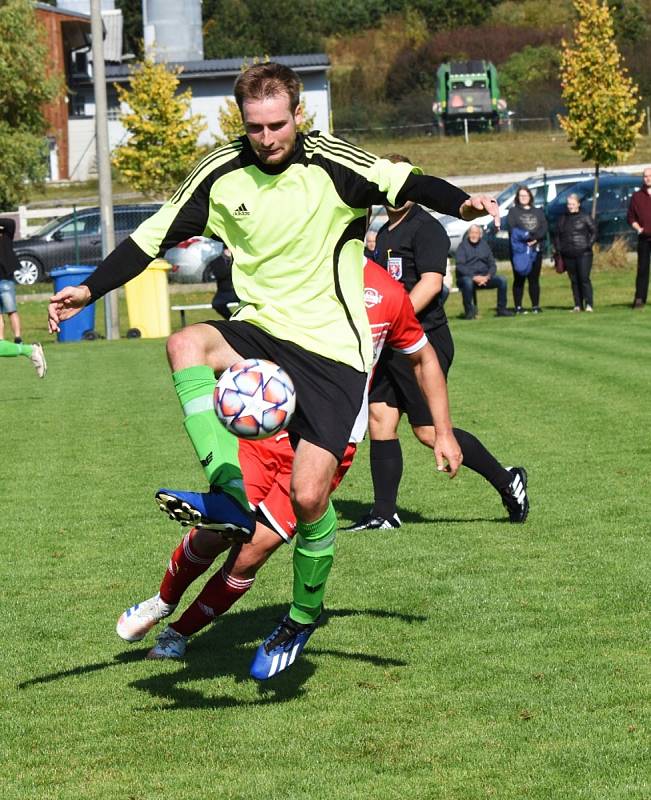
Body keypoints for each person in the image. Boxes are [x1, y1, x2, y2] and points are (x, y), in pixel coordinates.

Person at [48, 62, 497, 678]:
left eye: (278, 124)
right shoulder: (219, 175)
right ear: (242, 121)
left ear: (298, 116)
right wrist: (91, 289)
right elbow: (150, 237)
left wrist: (461, 201)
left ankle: (302, 618)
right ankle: (227, 492)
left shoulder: (333, 165)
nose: (267, 138)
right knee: (185, 344)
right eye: (255, 126)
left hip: (334, 353)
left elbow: (404, 178)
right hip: (262, 332)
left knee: (310, 499)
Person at [116, 260, 460, 674]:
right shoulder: (295, 268)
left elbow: (423, 358)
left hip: (329, 444)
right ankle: (163, 600)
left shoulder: (386, 293)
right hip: (270, 423)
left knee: (250, 554)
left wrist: (443, 430)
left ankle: (178, 634)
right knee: (216, 534)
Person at [346, 154, 528, 533]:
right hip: (392, 342)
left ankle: (507, 480)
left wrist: (393, 318)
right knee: (380, 417)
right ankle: (384, 514)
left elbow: (431, 282)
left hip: (423, 341)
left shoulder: (425, 228)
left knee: (429, 432)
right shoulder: (384, 231)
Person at [0, 218, 46, 377]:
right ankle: (28, 350)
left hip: (5, 280)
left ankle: (22, 343)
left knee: (11, 310)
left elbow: (10, 223)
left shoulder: (5, 235)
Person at [455, 224, 514, 319]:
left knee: (502, 280)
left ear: (480, 235)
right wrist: (474, 277)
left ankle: (501, 310)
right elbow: (460, 266)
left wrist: (488, 276)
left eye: (476, 233)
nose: (474, 235)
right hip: (467, 278)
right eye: (472, 233)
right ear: (468, 234)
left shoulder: (485, 246)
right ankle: (469, 312)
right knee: (468, 282)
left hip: (485, 278)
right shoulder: (462, 247)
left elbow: (492, 264)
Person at [507, 186, 548, 314]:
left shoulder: (538, 211)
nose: (523, 198)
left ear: (530, 196)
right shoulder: (513, 212)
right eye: (521, 196)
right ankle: (518, 306)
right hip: (519, 251)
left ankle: (535, 306)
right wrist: (527, 238)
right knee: (519, 278)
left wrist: (535, 239)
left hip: (535, 249)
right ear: (517, 198)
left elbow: (544, 227)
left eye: (526, 195)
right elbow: (512, 229)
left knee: (534, 279)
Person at [554, 193, 596, 312]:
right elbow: (557, 235)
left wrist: (588, 244)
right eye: (568, 204)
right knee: (574, 280)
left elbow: (594, 231)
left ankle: (589, 304)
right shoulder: (562, 218)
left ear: (578, 204)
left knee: (584, 278)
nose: (570, 206)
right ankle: (577, 304)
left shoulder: (585, 217)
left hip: (584, 254)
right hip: (568, 254)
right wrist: (559, 248)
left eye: (573, 204)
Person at [627, 166, 651, 309]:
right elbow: (630, 217)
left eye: (650, 176)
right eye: (645, 176)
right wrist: (638, 228)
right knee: (642, 269)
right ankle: (639, 298)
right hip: (644, 238)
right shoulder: (637, 196)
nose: (647, 178)